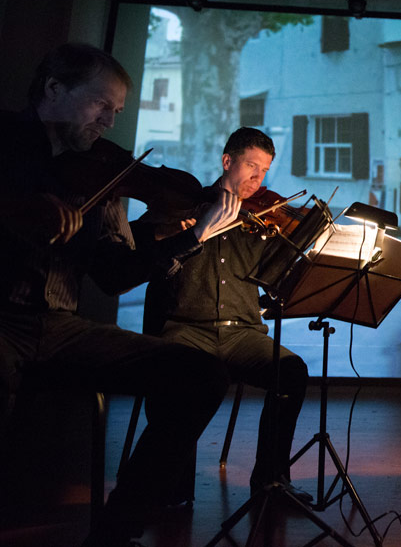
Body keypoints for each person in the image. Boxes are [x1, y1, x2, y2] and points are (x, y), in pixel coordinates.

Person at [0, 42, 237, 547]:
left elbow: (113, 276)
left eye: (118, 111)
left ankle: (115, 532)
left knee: (200, 374)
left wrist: (191, 236)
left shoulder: (103, 177)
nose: (109, 122)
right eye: (100, 105)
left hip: (59, 328)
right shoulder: (4, 142)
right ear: (54, 90)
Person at [136, 127, 310, 497]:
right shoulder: (183, 208)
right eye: (251, 165)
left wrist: (297, 256)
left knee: (292, 372)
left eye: (264, 171)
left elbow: (277, 281)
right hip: (185, 330)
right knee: (186, 378)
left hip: (242, 334)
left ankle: (271, 479)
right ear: (227, 161)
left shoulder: (263, 219)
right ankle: (170, 487)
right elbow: (144, 260)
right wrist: (182, 236)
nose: (257, 179)